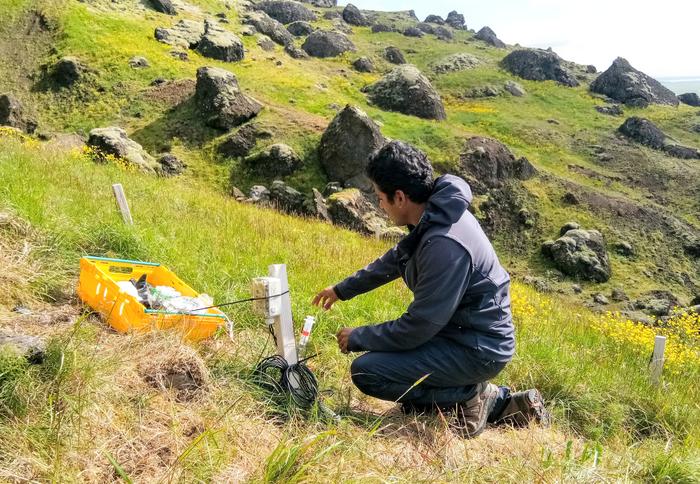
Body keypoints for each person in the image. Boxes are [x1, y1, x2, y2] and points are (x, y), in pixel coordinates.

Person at [313, 141, 547, 438]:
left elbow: (418, 327)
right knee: (381, 366)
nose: (379, 205)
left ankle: (473, 396)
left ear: (399, 197)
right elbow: (397, 258)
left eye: (380, 196)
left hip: (477, 348)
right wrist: (341, 289)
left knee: (368, 371)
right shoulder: (436, 212)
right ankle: (495, 401)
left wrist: (359, 336)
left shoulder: (444, 245)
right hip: (458, 333)